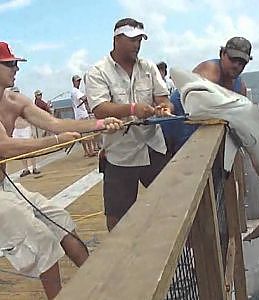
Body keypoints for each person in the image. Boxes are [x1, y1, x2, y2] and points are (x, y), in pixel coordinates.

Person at [0, 41, 123, 299]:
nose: (16, 69)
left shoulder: (14, 100)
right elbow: (6, 147)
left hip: (5, 185)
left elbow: (55, 123)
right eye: (10, 64)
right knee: (42, 240)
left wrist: (99, 123)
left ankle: (101, 288)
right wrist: (56, 141)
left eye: (15, 63)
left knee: (62, 221)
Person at [85, 17, 173, 231]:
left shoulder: (148, 67)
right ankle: (117, 258)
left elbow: (163, 98)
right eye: (132, 39)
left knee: (171, 202)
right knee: (117, 216)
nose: (137, 44)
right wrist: (132, 109)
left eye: (140, 39)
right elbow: (99, 108)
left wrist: (164, 109)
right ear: (117, 38)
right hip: (120, 154)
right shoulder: (97, 72)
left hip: (153, 147)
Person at [11, 87, 41, 177]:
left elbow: (31, 117)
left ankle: (34, 167)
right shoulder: (9, 105)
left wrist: (33, 131)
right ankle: (26, 169)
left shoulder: (23, 103)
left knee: (31, 149)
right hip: (16, 129)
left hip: (26, 128)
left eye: (16, 92)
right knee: (20, 150)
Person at [71, 74, 96, 157]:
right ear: (73, 82)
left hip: (78, 116)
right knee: (87, 134)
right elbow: (84, 98)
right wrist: (89, 94)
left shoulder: (74, 91)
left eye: (79, 81)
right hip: (82, 115)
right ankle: (90, 151)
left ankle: (87, 151)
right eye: (77, 81)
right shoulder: (76, 91)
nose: (79, 82)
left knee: (83, 135)